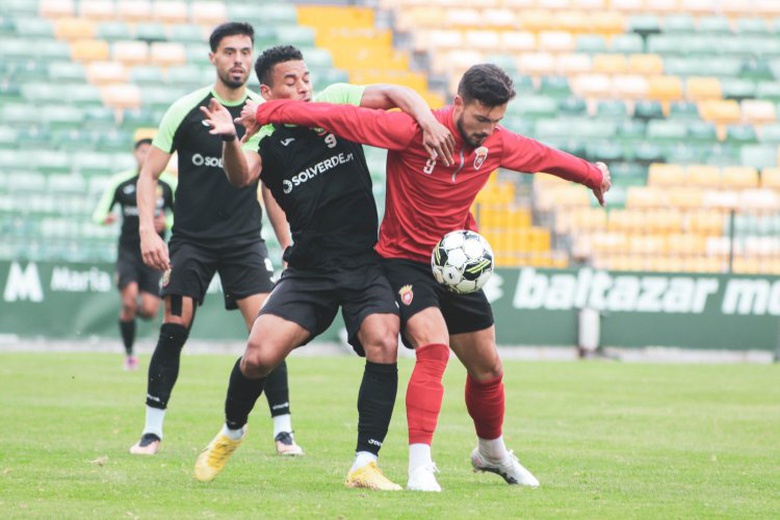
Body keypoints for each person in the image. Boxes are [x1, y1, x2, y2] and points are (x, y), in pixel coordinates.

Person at [243, 63, 612, 491]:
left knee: (488, 368)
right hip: (403, 262)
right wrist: (267, 113)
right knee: (432, 346)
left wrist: (594, 176)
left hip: (455, 266)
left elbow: (545, 158)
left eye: (496, 121)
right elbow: (336, 116)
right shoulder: (411, 132)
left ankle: (492, 453)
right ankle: (420, 466)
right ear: (458, 104)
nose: (488, 130)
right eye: (480, 119)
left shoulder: (496, 144)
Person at [191, 45, 455, 490]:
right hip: (309, 270)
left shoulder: (336, 100)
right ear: (268, 90)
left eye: (305, 77)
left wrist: (428, 120)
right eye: (291, 81)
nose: (303, 86)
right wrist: (230, 140)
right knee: (258, 356)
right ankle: (232, 432)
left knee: (384, 340)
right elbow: (240, 177)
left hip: (364, 264)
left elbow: (394, 91)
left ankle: (365, 463)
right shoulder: (265, 139)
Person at [129, 23, 303, 458]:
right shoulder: (186, 110)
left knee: (268, 334)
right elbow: (149, 174)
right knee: (173, 330)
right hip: (190, 242)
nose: (239, 59)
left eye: (246, 51)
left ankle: (284, 432)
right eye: (229, 52)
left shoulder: (262, 113)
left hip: (244, 243)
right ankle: (151, 432)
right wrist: (149, 230)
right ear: (213, 58)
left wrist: (288, 244)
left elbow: (270, 187)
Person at [92, 134, 176, 371]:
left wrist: (167, 223)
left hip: (154, 254)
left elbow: (182, 216)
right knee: (129, 300)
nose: (146, 156)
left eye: (151, 151)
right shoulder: (121, 183)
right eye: (142, 151)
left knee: (149, 310)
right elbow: (98, 213)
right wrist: (104, 218)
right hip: (128, 252)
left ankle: (128, 319)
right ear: (135, 154)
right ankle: (129, 354)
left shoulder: (168, 184)